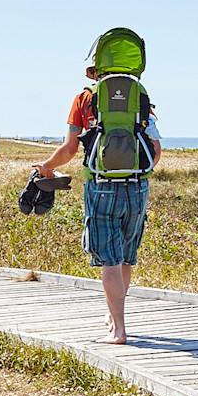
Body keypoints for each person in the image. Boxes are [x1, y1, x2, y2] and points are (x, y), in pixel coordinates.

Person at [33, 40, 159, 345]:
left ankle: (118, 329)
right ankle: (114, 315)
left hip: (100, 185)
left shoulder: (84, 100)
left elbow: (69, 149)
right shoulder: (141, 98)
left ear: (95, 71)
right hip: (136, 186)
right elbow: (155, 149)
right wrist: (138, 173)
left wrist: (46, 167)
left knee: (109, 259)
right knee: (126, 257)